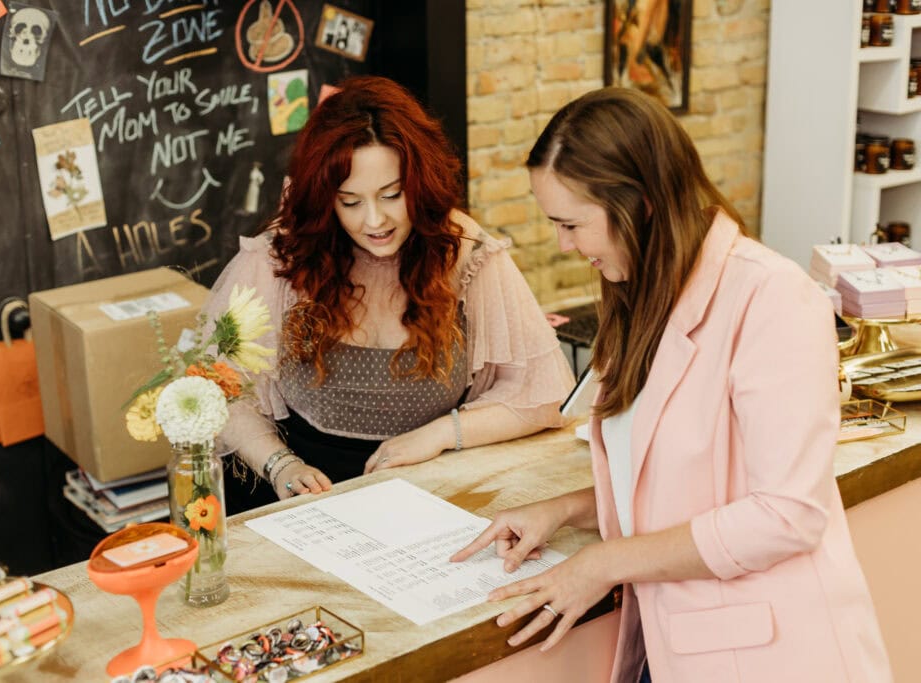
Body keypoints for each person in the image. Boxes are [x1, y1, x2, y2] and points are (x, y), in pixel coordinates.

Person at [452, 87, 891, 683]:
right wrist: (566, 511)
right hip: (672, 645)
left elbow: (787, 514)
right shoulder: (641, 296)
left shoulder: (772, 298)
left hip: (772, 656)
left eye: (571, 224)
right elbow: (676, 484)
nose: (565, 245)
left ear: (642, 203)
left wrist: (602, 563)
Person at [201, 75, 575, 510]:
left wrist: (440, 434)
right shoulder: (283, 256)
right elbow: (219, 388)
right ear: (326, 200)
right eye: (351, 202)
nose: (375, 221)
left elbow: (542, 397)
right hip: (302, 492)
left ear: (420, 183)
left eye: (392, 195)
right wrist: (280, 464)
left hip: (432, 486)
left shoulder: (464, 251)